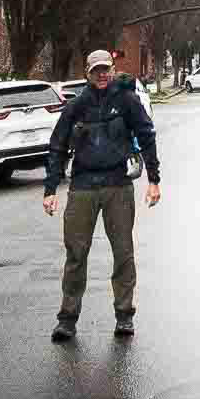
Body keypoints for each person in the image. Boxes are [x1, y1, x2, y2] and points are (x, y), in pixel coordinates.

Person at [43, 48, 160, 342]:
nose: (102, 74)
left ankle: (124, 316)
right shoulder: (76, 106)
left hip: (117, 186)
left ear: (111, 69)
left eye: (106, 69)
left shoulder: (127, 101)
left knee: (123, 253)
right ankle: (67, 319)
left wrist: (154, 179)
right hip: (82, 187)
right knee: (76, 255)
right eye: (96, 70)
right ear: (87, 73)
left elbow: (146, 135)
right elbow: (57, 146)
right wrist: (50, 189)